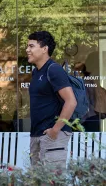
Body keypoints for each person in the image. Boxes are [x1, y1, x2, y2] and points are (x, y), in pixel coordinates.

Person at [26, 31, 77, 168]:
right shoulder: (36, 71)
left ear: (44, 49)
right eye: (27, 46)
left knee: (53, 184)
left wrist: (55, 130)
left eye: (31, 46)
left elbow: (71, 101)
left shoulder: (53, 70)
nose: (27, 50)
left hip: (53, 135)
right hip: (37, 134)